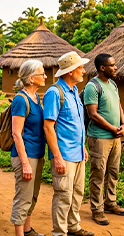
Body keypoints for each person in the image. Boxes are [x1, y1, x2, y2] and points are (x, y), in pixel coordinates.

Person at [43, 51, 94, 236]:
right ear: (70, 71)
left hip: (78, 153)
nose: (83, 70)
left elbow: (76, 124)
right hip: (64, 155)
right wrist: (57, 157)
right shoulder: (54, 93)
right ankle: (59, 232)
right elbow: (48, 127)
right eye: (80, 67)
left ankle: (73, 226)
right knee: (63, 194)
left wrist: (83, 148)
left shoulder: (74, 93)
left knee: (77, 192)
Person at [83, 53, 124, 226]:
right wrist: (112, 128)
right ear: (102, 68)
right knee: (98, 174)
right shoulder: (92, 87)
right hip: (99, 138)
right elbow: (92, 114)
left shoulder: (113, 85)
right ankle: (97, 209)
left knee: (113, 172)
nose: (115, 67)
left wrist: (123, 124)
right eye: (112, 65)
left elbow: (119, 105)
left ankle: (110, 203)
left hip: (115, 136)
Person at [10, 60, 47, 236]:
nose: (46, 76)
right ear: (31, 78)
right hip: (25, 155)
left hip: (37, 154)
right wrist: (25, 163)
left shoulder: (36, 98)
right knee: (23, 197)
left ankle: (27, 230)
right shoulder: (20, 99)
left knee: (32, 195)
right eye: (42, 73)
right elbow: (16, 134)